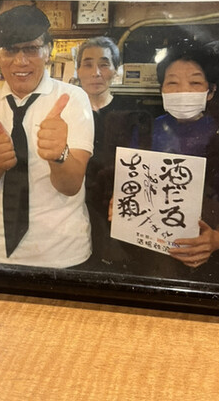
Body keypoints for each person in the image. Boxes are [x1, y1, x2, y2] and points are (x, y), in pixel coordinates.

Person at [0, 5, 94, 268]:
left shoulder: (73, 99)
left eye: (31, 49)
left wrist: (60, 155)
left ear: (48, 51)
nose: (21, 61)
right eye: (10, 50)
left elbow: (71, 185)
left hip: (63, 252)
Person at [128, 44, 219, 284]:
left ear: (210, 91)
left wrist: (216, 239)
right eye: (172, 82)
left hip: (210, 263)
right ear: (162, 89)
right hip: (150, 255)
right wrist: (122, 202)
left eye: (194, 82)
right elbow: (133, 186)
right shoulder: (145, 131)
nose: (183, 90)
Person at [76, 37, 149, 270]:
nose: (95, 72)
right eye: (87, 64)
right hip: (74, 207)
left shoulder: (132, 114)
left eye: (104, 64)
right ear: (78, 71)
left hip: (119, 208)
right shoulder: (67, 111)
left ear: (116, 71)